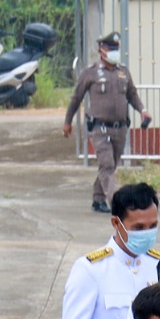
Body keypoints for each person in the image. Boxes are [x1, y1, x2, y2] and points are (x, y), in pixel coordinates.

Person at [59, 184, 160, 319]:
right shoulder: (90, 270)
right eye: (139, 228)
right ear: (116, 223)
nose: (147, 234)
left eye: (153, 226)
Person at [65, 30, 151, 213]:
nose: (114, 53)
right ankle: (116, 204)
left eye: (116, 49)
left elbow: (132, 95)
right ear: (101, 50)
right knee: (107, 165)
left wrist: (142, 110)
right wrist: (68, 122)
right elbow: (76, 98)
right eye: (110, 48)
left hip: (120, 128)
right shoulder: (90, 73)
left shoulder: (123, 72)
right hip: (99, 127)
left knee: (110, 165)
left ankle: (98, 199)